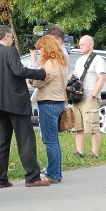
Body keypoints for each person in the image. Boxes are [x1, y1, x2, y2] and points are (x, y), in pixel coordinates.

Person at [0, 24, 49, 188]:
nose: (11, 39)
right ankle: (32, 177)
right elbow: (19, 71)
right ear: (5, 36)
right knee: (25, 140)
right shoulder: (10, 51)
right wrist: (40, 73)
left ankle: (0, 179)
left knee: (1, 144)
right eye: (10, 36)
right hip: (15, 103)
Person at [30, 34, 68, 183]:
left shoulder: (50, 64)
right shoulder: (62, 62)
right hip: (58, 102)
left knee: (49, 140)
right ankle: (55, 170)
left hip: (48, 103)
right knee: (54, 140)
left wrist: (32, 79)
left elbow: (40, 83)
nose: (39, 52)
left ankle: (53, 174)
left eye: (41, 49)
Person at [72, 35, 106, 159]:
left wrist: (93, 95)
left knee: (93, 126)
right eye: (80, 44)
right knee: (78, 126)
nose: (80, 47)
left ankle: (94, 152)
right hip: (78, 97)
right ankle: (79, 151)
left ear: (91, 45)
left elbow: (102, 79)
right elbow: (76, 76)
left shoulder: (98, 59)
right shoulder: (79, 60)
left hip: (90, 97)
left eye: (83, 44)